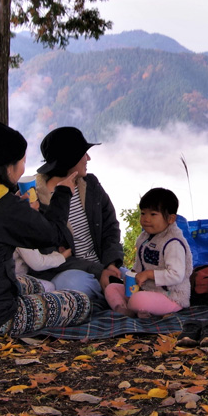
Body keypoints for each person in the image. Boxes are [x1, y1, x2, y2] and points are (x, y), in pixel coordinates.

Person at [0, 120, 93, 336]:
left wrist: (20, 209)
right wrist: (63, 193)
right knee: (80, 302)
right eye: (22, 161)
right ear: (9, 166)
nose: (23, 168)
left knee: (36, 285)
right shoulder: (7, 208)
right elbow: (54, 235)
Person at [31, 126, 123, 299]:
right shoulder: (37, 202)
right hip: (73, 272)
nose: (88, 158)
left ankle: (105, 293)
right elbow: (49, 256)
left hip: (102, 265)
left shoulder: (91, 185)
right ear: (69, 159)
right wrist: (99, 271)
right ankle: (109, 294)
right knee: (70, 285)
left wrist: (110, 264)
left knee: (133, 279)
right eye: (83, 154)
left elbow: (111, 228)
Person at [105, 187, 194, 317]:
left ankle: (134, 307)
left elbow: (176, 275)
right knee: (111, 288)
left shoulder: (173, 243)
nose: (146, 219)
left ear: (170, 219)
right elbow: (138, 266)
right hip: (147, 290)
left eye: (153, 214)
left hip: (170, 296)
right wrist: (132, 276)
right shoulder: (144, 238)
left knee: (138, 300)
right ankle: (127, 310)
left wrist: (148, 274)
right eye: (143, 213)